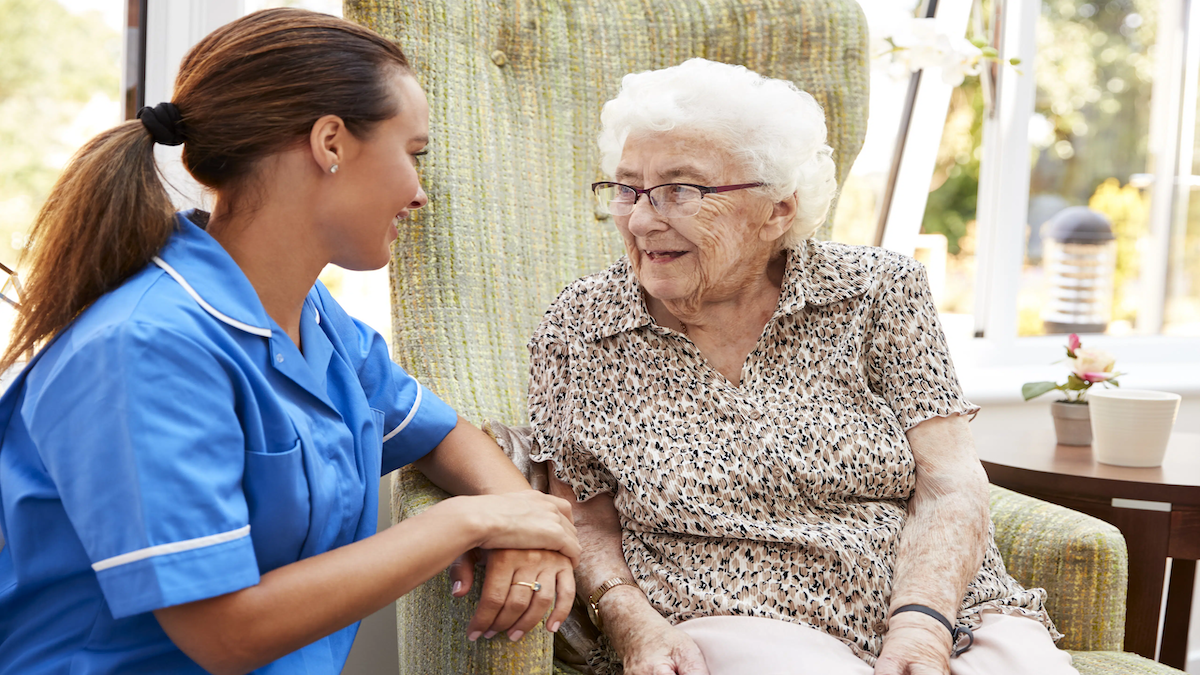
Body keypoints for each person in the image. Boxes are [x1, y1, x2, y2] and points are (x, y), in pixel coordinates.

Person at [0, 9, 579, 674]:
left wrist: (525, 527)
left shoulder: (314, 320)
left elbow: (446, 435)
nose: (420, 194)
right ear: (330, 142)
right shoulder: (146, 348)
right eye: (412, 153)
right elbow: (226, 634)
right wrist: (468, 523)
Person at [528, 59, 1078, 675]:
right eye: (627, 188)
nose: (642, 217)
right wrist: (632, 623)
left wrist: (922, 629)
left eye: (681, 189)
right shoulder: (581, 327)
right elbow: (583, 517)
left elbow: (951, 481)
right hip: (733, 621)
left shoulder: (877, 291)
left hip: (942, 614)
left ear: (778, 210)